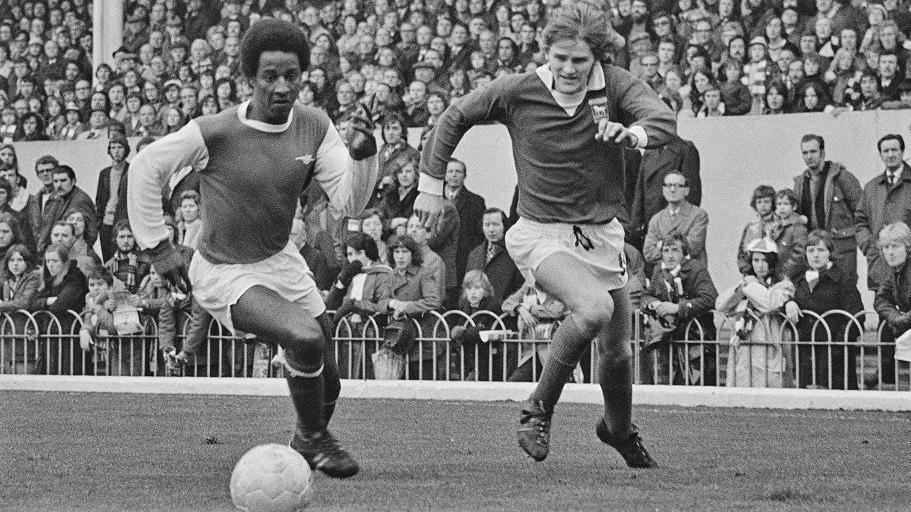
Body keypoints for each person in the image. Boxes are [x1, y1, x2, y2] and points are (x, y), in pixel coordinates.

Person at [414, 3, 675, 466]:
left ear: (597, 56)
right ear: (546, 53)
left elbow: (661, 119)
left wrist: (632, 134)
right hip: (539, 232)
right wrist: (431, 189)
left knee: (616, 355)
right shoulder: (518, 90)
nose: (569, 68)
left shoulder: (614, 84)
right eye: (560, 58)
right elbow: (454, 116)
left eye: (580, 60)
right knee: (592, 310)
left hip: (601, 234)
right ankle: (538, 407)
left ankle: (617, 431)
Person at [127, 19, 378, 478]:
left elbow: (348, 201)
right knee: (302, 337)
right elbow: (145, 165)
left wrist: (364, 157)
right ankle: (317, 441)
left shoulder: (315, 125)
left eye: (291, 76)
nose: (282, 87)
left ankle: (303, 443)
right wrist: (156, 247)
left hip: (281, 260)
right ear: (250, 79)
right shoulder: (216, 131)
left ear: (303, 75)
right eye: (270, 77)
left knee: (331, 383)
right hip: (224, 270)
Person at [786, 230, 863, 390]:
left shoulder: (843, 280)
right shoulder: (799, 281)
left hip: (836, 360)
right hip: (806, 356)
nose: (815, 255)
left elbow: (856, 319)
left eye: (821, 250)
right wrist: (789, 302)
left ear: (830, 253)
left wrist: (835, 348)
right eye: (811, 250)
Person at [716, 238, 795, 388]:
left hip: (770, 345)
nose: (760, 265)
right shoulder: (746, 284)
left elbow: (770, 304)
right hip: (745, 344)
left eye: (765, 260)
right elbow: (721, 306)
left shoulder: (783, 285)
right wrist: (740, 288)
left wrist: (751, 286)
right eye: (756, 260)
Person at [641, 234, 718, 386]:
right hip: (669, 340)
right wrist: (655, 304)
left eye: (675, 250)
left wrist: (677, 307)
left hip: (695, 339)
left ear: (684, 253)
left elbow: (710, 298)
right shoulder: (659, 270)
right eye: (666, 250)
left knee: (697, 386)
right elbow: (646, 295)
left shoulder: (696, 269)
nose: (670, 256)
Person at [792, 134, 863, 284]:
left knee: (846, 290)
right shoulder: (800, 182)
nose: (809, 157)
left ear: (822, 153)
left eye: (813, 151)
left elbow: (861, 211)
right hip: (815, 249)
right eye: (805, 153)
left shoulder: (842, 177)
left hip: (841, 246)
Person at [855, 134, 911, 292]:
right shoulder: (872, 187)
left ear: (902, 152)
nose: (890, 154)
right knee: (884, 308)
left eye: (894, 149)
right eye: (885, 151)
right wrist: (869, 247)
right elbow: (860, 222)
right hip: (880, 264)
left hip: (908, 266)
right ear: (880, 154)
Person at [32, 242, 88, 375]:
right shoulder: (48, 280)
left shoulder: (75, 278)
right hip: (52, 334)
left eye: (55, 261)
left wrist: (44, 305)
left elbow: (60, 305)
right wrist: (49, 300)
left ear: (64, 262)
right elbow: (32, 303)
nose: (50, 265)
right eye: (48, 261)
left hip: (69, 335)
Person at [642, 170, 709, 270]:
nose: (672, 189)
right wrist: (680, 243)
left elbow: (693, 247)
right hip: (665, 276)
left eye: (678, 186)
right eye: (668, 185)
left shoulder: (698, 215)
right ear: (663, 189)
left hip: (692, 275)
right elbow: (648, 253)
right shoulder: (656, 219)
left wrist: (661, 245)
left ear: (686, 190)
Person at [872, 222, 911, 389]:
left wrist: (905, 319)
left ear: (907, 247)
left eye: (895, 246)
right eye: (886, 247)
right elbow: (881, 299)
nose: (890, 252)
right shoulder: (892, 271)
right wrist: (895, 317)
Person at [444, 158, 486, 304]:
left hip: (461, 259)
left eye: (458, 172)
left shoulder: (476, 202)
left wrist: (468, 255)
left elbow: (479, 235)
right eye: (450, 171)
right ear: (444, 175)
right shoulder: (436, 199)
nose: (454, 175)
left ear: (464, 176)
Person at [0, 244, 41, 374]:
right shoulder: (7, 282)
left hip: (25, 334)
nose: (15, 264)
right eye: (12, 260)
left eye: (20, 260)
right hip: (9, 336)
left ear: (27, 261)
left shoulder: (33, 277)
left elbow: (24, 302)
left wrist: (1, 305)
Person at [96, 134, 131, 262]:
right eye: (113, 147)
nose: (116, 151)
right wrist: (99, 223)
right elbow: (99, 199)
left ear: (126, 149)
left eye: (120, 147)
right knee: (108, 259)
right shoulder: (104, 173)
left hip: (123, 221)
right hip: (106, 223)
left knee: (124, 257)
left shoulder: (131, 170)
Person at [736, 185, 776, 275]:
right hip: (752, 272)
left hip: (773, 272)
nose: (762, 205)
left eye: (766, 201)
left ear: (772, 203)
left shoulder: (778, 224)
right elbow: (741, 253)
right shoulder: (751, 226)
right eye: (759, 202)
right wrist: (747, 270)